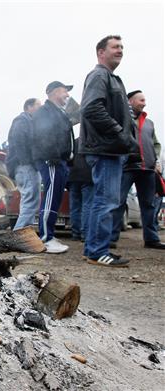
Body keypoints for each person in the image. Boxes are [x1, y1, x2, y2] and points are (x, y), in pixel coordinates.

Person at [80, 35, 139, 267]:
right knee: (105, 202)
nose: (120, 50)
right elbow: (91, 108)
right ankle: (96, 251)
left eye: (122, 47)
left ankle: (95, 249)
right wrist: (119, 133)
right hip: (106, 149)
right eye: (115, 47)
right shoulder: (99, 75)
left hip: (112, 150)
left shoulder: (113, 78)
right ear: (100, 52)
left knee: (104, 201)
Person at [110, 90, 164, 249]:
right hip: (127, 167)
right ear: (131, 101)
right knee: (118, 202)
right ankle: (111, 238)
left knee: (149, 205)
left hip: (147, 169)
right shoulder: (122, 119)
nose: (144, 103)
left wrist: (156, 159)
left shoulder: (150, 123)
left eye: (144, 100)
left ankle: (151, 239)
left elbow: (156, 144)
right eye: (141, 100)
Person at [31, 81, 75, 253]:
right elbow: (43, 135)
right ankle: (45, 238)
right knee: (50, 197)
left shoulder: (59, 112)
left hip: (61, 161)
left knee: (55, 197)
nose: (67, 95)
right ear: (54, 92)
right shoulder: (44, 112)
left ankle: (49, 234)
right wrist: (53, 157)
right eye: (65, 91)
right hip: (52, 160)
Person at [5, 98, 42, 230]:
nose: (41, 107)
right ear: (29, 107)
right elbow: (20, 142)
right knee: (30, 199)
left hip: (25, 165)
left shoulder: (28, 122)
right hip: (25, 166)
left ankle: (24, 232)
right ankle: (19, 233)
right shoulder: (22, 121)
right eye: (38, 105)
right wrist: (28, 162)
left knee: (30, 200)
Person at [67, 138, 93, 242]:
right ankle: (85, 234)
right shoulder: (92, 141)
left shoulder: (75, 141)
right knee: (87, 205)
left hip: (73, 176)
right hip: (88, 176)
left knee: (74, 207)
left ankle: (75, 233)